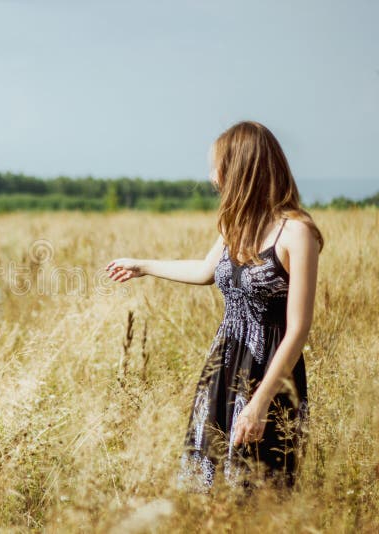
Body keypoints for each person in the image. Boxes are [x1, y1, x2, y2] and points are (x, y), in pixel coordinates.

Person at [105, 121, 323, 491]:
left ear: (241, 168)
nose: (212, 176)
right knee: (211, 488)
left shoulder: (297, 233)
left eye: (217, 166)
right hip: (222, 369)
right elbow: (206, 271)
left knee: (260, 490)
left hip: (268, 374)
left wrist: (260, 402)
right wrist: (142, 266)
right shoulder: (235, 226)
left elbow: (298, 329)